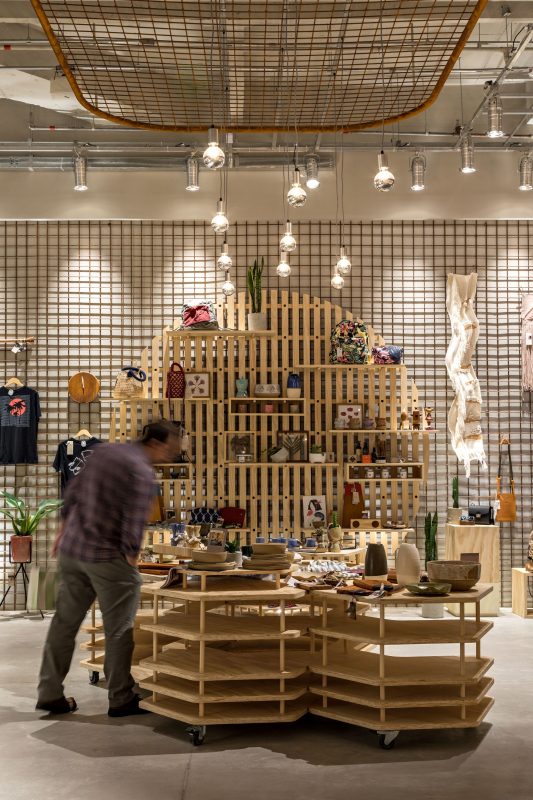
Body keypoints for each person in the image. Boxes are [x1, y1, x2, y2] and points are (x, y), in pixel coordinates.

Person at [36, 420, 180, 717]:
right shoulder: (141, 470)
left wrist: (62, 531)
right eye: (169, 449)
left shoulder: (103, 452)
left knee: (64, 623)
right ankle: (120, 697)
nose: (169, 455)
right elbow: (134, 519)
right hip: (107, 556)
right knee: (119, 629)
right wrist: (131, 557)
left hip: (73, 550)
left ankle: (49, 692)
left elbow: (72, 491)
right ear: (155, 443)